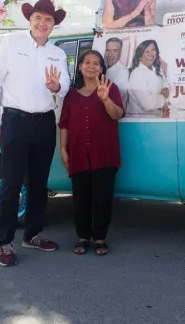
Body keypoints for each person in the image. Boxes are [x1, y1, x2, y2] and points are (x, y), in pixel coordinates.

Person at [0, 0, 71, 267]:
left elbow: (66, 87)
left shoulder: (58, 54)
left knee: (38, 184)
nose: (43, 23)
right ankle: (4, 242)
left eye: (48, 20)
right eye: (38, 18)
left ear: (54, 25)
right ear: (30, 19)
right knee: (11, 184)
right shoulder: (11, 43)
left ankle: (32, 234)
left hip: (45, 122)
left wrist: (56, 87)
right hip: (14, 120)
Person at [59, 50, 125, 256]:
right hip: (78, 153)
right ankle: (82, 236)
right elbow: (64, 124)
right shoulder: (70, 94)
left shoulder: (110, 89)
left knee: (102, 198)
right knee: (81, 199)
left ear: (101, 68)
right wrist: (63, 149)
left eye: (96, 63)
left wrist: (105, 99)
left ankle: (100, 238)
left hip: (104, 154)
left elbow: (118, 115)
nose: (91, 66)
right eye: (87, 62)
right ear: (79, 66)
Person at [126, 39, 170, 118]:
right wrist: (163, 97)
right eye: (146, 52)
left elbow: (166, 86)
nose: (151, 54)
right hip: (140, 122)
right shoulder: (137, 74)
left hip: (157, 119)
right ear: (139, 56)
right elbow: (148, 104)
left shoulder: (157, 69)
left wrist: (165, 102)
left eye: (153, 50)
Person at [104, 37, 130, 106]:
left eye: (115, 51)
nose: (110, 54)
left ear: (120, 53)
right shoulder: (103, 68)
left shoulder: (122, 71)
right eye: (108, 50)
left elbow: (118, 97)